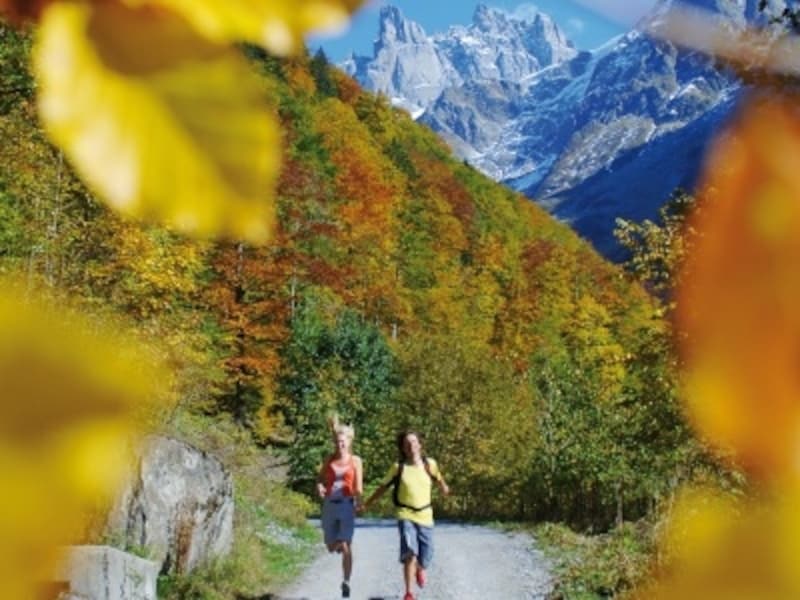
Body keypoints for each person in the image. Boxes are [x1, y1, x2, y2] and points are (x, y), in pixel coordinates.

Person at [360, 430, 450, 600]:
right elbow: (383, 487)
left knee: (427, 554)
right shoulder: (398, 467)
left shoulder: (430, 464)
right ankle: (409, 593)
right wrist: (367, 503)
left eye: (414, 442)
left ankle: (421, 569)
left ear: (420, 445)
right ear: (403, 448)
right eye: (407, 443)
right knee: (410, 552)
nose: (411, 446)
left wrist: (444, 487)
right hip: (405, 514)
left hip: (426, 515)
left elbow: (438, 478)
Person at [317, 415, 363, 598]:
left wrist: (359, 501)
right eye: (337, 441)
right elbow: (320, 478)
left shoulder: (356, 461)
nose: (340, 445)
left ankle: (346, 581)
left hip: (346, 504)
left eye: (343, 442)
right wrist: (319, 487)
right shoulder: (328, 459)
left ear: (349, 442)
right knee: (330, 545)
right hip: (329, 503)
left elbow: (359, 485)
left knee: (346, 544)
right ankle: (337, 544)